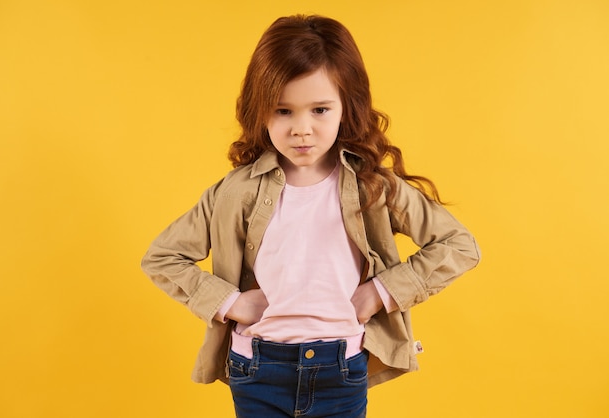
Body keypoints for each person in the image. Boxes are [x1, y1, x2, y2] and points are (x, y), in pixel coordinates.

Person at [141, 14, 480, 418]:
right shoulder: (235, 191)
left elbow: (459, 245)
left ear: (346, 106)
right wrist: (231, 303)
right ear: (260, 111)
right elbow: (161, 257)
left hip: (342, 369)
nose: (302, 129)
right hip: (257, 369)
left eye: (320, 109)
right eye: (283, 111)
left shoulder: (374, 187)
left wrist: (380, 293)